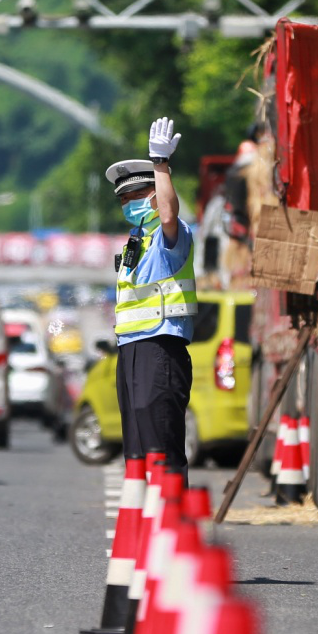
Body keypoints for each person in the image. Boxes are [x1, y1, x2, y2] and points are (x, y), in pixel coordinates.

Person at [103, 117, 197, 474]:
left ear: (157, 195)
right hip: (130, 348)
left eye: (137, 196)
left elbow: (171, 213)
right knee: (138, 452)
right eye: (123, 198)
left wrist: (161, 164)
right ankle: (142, 522)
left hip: (160, 346)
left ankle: (169, 525)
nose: (129, 203)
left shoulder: (170, 235)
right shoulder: (136, 239)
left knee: (160, 447)